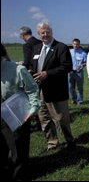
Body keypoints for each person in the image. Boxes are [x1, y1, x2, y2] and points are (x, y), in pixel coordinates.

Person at [29, 22, 75, 154]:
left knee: (60, 118)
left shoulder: (61, 47)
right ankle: (52, 143)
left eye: (47, 31)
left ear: (52, 32)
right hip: (39, 90)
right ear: (38, 34)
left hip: (56, 90)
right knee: (44, 117)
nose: (45, 34)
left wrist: (47, 73)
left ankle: (69, 141)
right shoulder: (36, 48)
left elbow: (66, 67)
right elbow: (33, 64)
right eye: (42, 32)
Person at [1, 43, 41, 181]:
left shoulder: (17, 69)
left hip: (15, 113)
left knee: (18, 150)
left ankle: (19, 176)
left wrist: (33, 109)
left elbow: (32, 89)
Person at [68, 38, 87, 105]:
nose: (76, 45)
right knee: (70, 87)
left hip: (79, 72)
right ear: (72, 44)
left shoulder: (83, 53)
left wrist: (81, 64)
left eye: (77, 44)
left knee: (79, 88)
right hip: (70, 72)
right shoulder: (69, 52)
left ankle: (80, 101)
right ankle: (74, 99)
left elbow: (87, 62)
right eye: (74, 44)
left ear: (79, 44)